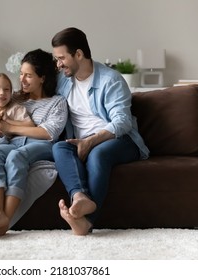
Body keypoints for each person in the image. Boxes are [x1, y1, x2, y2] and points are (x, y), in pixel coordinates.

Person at [51, 27, 150, 235]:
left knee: (99, 153)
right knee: (59, 147)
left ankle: (86, 222)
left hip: (119, 140)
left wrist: (91, 141)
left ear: (78, 54)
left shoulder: (110, 80)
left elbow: (122, 122)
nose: (58, 64)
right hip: (79, 141)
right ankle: (79, 197)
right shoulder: (63, 80)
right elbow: (35, 93)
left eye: (61, 58)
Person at [0, 49, 68, 238]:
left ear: (42, 78)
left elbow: (47, 132)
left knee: (16, 156)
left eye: (28, 75)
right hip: (14, 142)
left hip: (42, 144)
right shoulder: (15, 97)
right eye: (21, 74)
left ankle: (6, 220)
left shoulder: (57, 102)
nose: (22, 80)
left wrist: (9, 126)